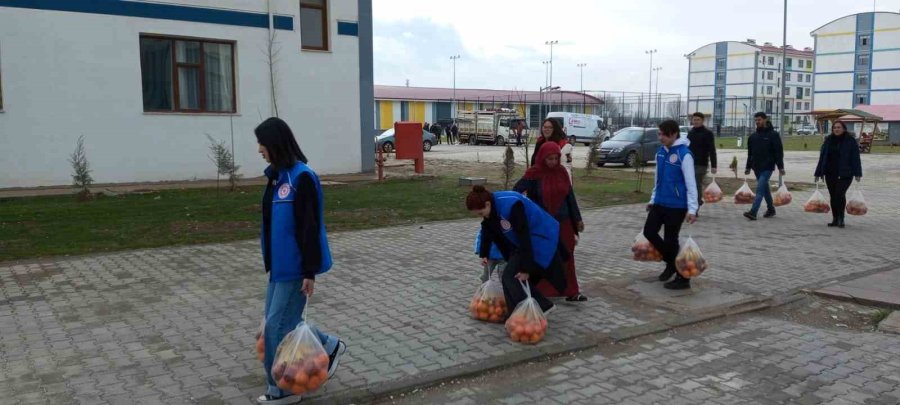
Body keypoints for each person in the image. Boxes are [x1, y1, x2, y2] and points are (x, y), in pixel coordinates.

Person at [255, 117, 346, 405]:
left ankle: (282, 390)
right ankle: (329, 345)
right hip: (278, 266)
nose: (259, 149)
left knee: (276, 326)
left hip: (295, 266)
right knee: (283, 322)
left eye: (262, 143)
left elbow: (309, 227)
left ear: (275, 144)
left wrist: (309, 271)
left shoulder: (301, 177)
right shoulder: (277, 176)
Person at [466, 185, 568, 315]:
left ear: (487, 204)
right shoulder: (492, 207)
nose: (481, 216)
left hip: (540, 236)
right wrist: (484, 253)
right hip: (525, 241)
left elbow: (524, 237)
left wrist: (525, 269)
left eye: (480, 213)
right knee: (509, 277)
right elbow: (488, 228)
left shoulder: (512, 205)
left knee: (510, 276)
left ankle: (542, 307)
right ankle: (516, 312)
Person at [514, 142, 586, 301]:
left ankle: (571, 291)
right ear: (542, 158)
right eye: (549, 159)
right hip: (544, 223)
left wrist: (577, 219)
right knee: (545, 255)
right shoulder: (534, 174)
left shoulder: (562, 172)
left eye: (555, 158)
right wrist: (528, 211)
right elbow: (516, 192)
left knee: (567, 255)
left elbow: (570, 197)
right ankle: (541, 291)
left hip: (564, 222)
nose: (553, 162)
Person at [644, 120, 699, 290]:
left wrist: (692, 209)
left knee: (670, 240)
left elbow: (691, 184)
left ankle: (683, 278)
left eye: (664, 134)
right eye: (659, 134)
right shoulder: (661, 153)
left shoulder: (684, 154)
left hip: (676, 205)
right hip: (660, 202)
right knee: (649, 232)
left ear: (674, 134)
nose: (660, 137)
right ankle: (672, 264)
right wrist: (653, 199)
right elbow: (658, 180)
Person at [814, 120, 863, 228]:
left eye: (839, 127)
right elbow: (822, 157)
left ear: (844, 129)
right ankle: (835, 218)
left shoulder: (850, 141)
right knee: (833, 196)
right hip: (830, 173)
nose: (836, 129)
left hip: (845, 173)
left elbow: (855, 158)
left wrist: (858, 173)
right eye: (834, 127)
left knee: (839, 195)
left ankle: (841, 218)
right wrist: (818, 173)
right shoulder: (828, 140)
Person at [743, 112, 786, 221]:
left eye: (759, 120)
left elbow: (778, 152)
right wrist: (748, 167)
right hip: (756, 167)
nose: (757, 122)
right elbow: (750, 154)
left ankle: (753, 212)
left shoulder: (773, 135)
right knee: (765, 189)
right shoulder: (753, 137)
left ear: (765, 120)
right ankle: (771, 209)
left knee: (760, 189)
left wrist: (780, 166)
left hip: (767, 167)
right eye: (756, 120)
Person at [687, 112, 717, 214]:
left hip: (701, 163)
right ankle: (697, 201)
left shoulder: (707, 133)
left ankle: (695, 208)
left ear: (702, 121)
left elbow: (712, 150)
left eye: (698, 120)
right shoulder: (690, 133)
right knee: (690, 185)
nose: (695, 122)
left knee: (696, 184)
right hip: (690, 163)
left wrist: (714, 165)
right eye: (694, 120)